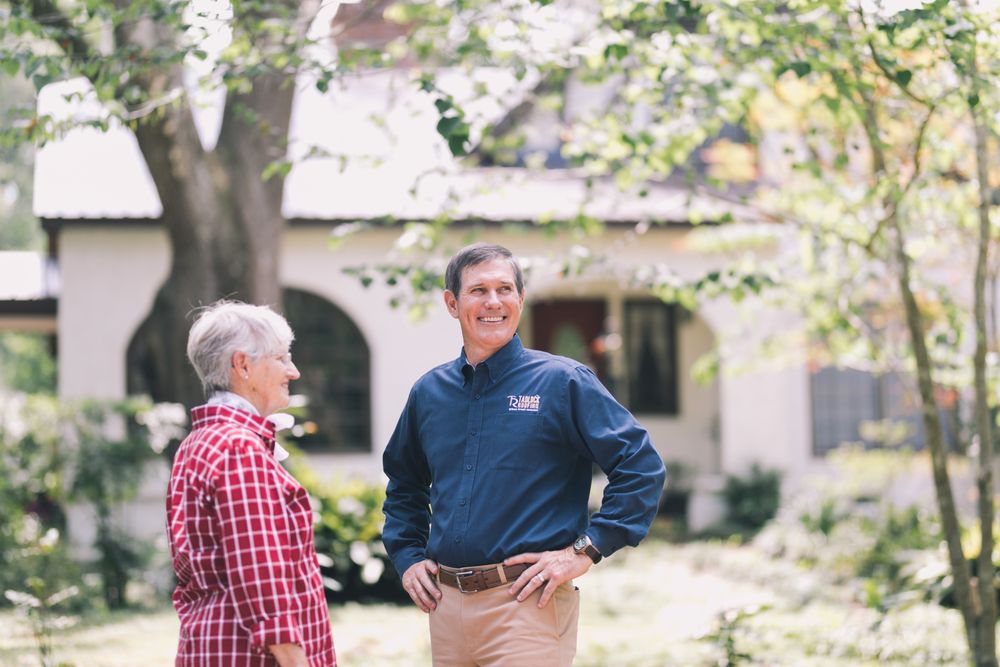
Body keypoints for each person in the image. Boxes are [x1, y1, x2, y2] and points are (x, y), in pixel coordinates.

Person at [382, 243, 666, 666]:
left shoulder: (563, 382)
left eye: (504, 289)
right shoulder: (429, 392)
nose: (493, 302)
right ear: (451, 303)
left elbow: (641, 466)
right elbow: (404, 483)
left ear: (520, 298)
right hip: (446, 607)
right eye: (478, 290)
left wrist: (586, 549)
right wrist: (407, 557)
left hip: (527, 603)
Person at [167, 300, 336, 667]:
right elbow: (259, 574)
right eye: (281, 358)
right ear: (242, 365)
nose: (293, 371)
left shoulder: (197, 443)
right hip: (253, 656)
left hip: (211, 645)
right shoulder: (238, 447)